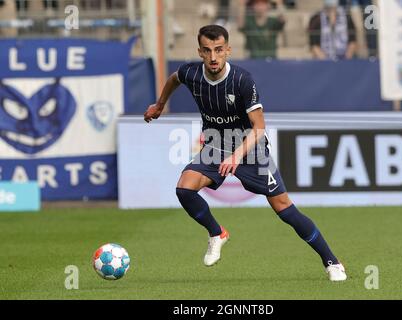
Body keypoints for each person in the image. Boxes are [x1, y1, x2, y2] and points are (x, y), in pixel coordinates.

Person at [144, 25, 347, 281]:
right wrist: (160, 105)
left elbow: (259, 128)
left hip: (250, 149)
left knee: (285, 209)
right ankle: (217, 233)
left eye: (219, 50)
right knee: (184, 188)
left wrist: (237, 156)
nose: (213, 57)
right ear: (200, 52)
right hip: (217, 144)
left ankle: (332, 262)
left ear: (228, 50)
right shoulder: (191, 73)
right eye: (207, 51)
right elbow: (174, 78)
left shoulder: (242, 80)